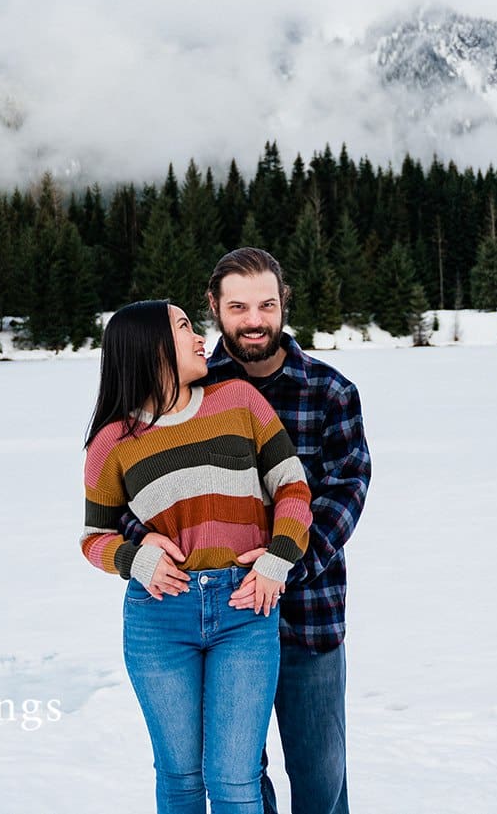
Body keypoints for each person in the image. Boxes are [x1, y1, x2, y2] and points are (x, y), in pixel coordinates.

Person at [122, 248, 372, 814]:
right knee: (238, 778)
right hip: (218, 615)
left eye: (266, 304)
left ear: (284, 304)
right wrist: (142, 541)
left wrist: (283, 565)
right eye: (238, 306)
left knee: (320, 774)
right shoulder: (189, 388)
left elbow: (346, 492)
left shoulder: (330, 392)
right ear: (214, 308)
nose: (254, 319)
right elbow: (133, 480)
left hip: (310, 614)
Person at [81, 299, 314, 814]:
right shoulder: (112, 444)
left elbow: (292, 488)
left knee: (234, 780)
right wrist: (135, 558)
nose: (199, 337)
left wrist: (277, 560)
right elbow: (94, 538)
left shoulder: (238, 401)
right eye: (184, 327)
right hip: (160, 618)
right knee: (181, 779)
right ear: (151, 348)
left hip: (244, 610)